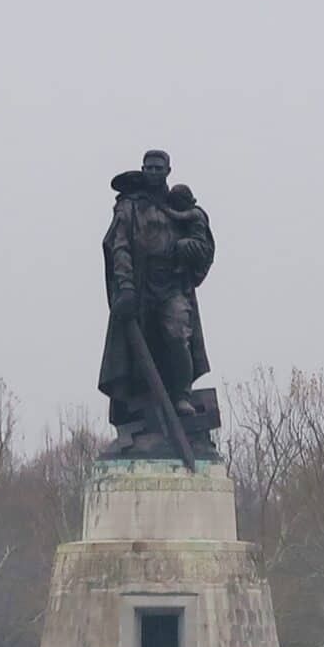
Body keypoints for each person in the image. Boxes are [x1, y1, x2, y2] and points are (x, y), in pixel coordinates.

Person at [96, 149, 217, 456]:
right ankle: (141, 413)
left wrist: (190, 248)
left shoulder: (180, 207)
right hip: (138, 287)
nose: (152, 172)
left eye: (158, 167)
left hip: (172, 285)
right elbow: (118, 245)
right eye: (148, 167)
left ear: (168, 170)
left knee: (178, 335)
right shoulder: (129, 207)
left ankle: (181, 396)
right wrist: (123, 287)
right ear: (143, 169)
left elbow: (204, 246)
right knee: (139, 354)